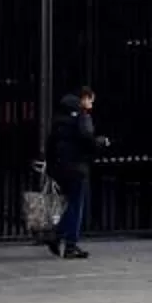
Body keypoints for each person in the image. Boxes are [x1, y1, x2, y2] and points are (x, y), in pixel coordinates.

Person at [43, 89, 92, 260]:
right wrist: (100, 143)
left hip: (59, 168)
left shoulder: (58, 121)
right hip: (76, 168)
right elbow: (87, 137)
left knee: (68, 203)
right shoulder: (81, 117)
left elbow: (49, 145)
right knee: (76, 205)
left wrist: (50, 168)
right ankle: (68, 242)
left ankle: (59, 237)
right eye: (90, 100)